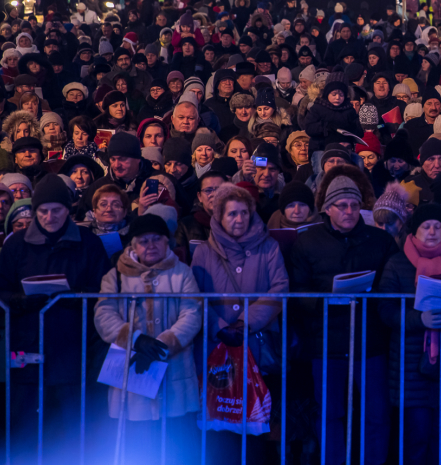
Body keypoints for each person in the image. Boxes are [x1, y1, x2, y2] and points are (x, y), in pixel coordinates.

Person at [0, 175, 111, 452]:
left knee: (72, 426)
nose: (49, 216)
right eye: (43, 211)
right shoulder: (17, 244)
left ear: (68, 210)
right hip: (26, 344)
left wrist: (74, 296)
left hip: (73, 346)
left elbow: (104, 290)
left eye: (56, 210)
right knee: (24, 426)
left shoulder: (87, 243)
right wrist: (18, 300)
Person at [290, 174, 396, 465]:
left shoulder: (380, 240)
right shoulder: (307, 242)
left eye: (353, 205)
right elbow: (296, 290)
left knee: (377, 415)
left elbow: (393, 284)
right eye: (341, 206)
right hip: (326, 342)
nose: (349, 211)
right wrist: (323, 301)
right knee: (330, 414)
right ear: (327, 209)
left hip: (369, 341)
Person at [190, 183, 289, 460]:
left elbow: (279, 288)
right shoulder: (204, 251)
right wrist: (220, 327)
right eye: (232, 214)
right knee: (219, 422)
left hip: (255, 345)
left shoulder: (268, 246)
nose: (239, 219)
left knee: (254, 423)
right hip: (216, 349)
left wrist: (246, 322)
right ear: (219, 215)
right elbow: (195, 296)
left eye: (244, 213)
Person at [93, 214, 202, 462]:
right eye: (143, 240)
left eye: (157, 239)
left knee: (177, 444)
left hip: (175, 371)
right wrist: (137, 341)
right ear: (133, 245)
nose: (150, 245)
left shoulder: (182, 273)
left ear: (167, 242)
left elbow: (192, 313)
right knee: (137, 442)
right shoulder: (115, 277)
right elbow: (104, 314)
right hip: (131, 369)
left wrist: (163, 344)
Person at [377, 203, 441, 464]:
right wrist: (417, 318)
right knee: (416, 437)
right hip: (410, 364)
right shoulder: (398, 263)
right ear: (415, 230)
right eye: (426, 226)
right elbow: (385, 308)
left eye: (437, 226)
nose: (432, 231)